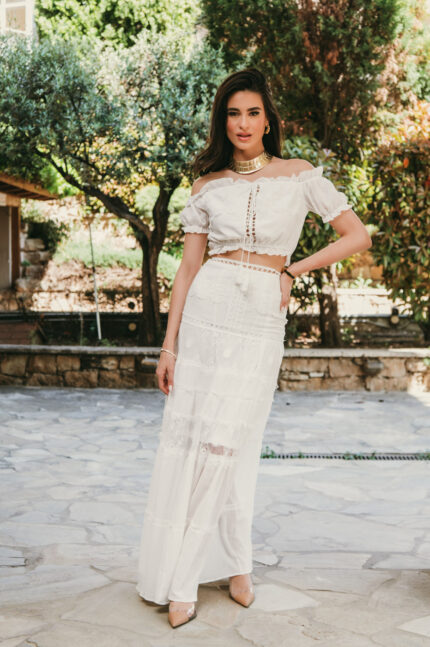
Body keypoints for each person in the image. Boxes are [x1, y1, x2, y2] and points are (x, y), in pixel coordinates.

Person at [135, 67, 372, 628]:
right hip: (208, 312)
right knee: (199, 441)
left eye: (253, 113)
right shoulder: (206, 186)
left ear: (268, 121)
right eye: (233, 113)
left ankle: (215, 567)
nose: (242, 123)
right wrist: (168, 346)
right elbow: (187, 270)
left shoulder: (299, 175)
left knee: (232, 441)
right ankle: (216, 571)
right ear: (224, 121)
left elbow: (357, 235)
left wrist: (293, 269)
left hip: (261, 314)